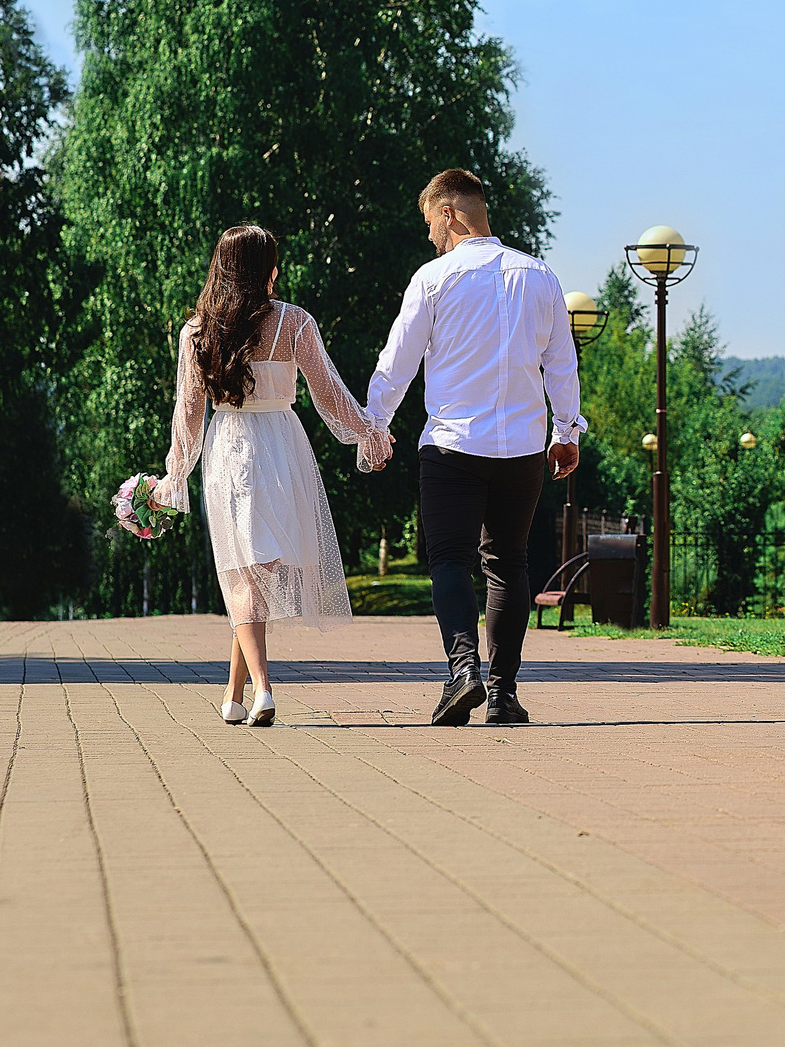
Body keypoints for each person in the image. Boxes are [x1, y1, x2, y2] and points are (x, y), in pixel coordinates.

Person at [365, 168, 583, 726]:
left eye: (430, 224)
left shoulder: (433, 279)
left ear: (449, 213)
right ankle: (504, 693)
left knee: (449, 560)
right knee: (508, 563)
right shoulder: (541, 277)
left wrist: (374, 427)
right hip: (523, 450)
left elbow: (398, 362)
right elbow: (561, 362)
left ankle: (463, 671)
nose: (429, 237)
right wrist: (566, 432)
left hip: (453, 445)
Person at [159, 224, 383, 724]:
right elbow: (330, 392)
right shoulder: (294, 322)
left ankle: (257, 691)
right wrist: (368, 429)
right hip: (282, 445)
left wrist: (175, 474)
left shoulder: (197, 331)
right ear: (267, 270)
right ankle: (240, 694)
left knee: (246, 572)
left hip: (229, 450)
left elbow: (188, 415)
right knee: (255, 571)